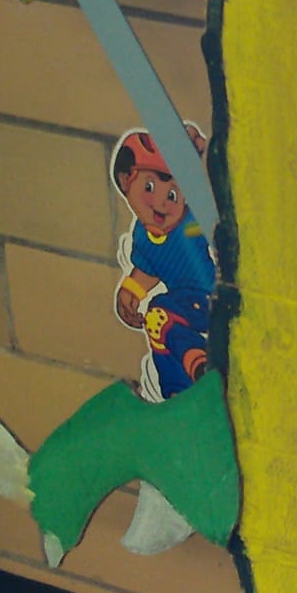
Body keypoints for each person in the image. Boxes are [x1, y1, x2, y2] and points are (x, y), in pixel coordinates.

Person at [112, 127, 215, 402]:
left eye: (173, 194)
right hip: (185, 305)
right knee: (157, 327)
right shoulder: (142, 236)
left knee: (160, 313)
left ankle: (200, 365)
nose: (162, 203)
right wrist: (131, 292)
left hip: (212, 300)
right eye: (149, 188)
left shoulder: (191, 224)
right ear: (125, 181)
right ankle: (178, 392)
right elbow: (149, 270)